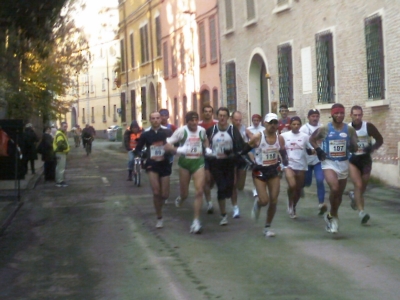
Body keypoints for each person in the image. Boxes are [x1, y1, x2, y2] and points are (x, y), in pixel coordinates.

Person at [309, 103, 358, 234]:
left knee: (339, 195)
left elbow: (355, 144)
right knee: (334, 188)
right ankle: (334, 217)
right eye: (336, 113)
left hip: (343, 163)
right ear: (332, 114)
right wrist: (318, 150)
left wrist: (353, 147)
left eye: (341, 113)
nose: (339, 115)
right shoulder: (325, 128)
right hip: (329, 163)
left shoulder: (349, 129)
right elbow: (312, 139)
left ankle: (331, 215)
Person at [165, 111, 210, 234]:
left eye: (196, 120)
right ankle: (181, 198)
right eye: (192, 120)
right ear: (187, 121)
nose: (194, 123)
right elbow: (167, 146)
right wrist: (178, 149)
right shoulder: (181, 131)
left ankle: (196, 221)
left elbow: (205, 140)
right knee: (185, 193)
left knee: (199, 191)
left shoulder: (201, 130)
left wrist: (207, 148)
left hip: (198, 162)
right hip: (185, 163)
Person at [247, 113, 288, 237]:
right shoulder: (258, 137)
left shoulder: (279, 138)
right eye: (271, 123)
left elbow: (282, 151)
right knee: (265, 200)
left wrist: (285, 162)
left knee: (274, 200)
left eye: (275, 123)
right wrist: (250, 160)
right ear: (265, 123)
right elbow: (246, 149)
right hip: (259, 170)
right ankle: (258, 204)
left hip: (273, 170)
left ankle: (267, 227)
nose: (273, 125)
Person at [134, 112, 173, 228]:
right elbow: (138, 149)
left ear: (161, 119)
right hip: (151, 164)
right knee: (156, 192)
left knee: (164, 194)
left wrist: (171, 150)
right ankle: (159, 217)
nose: (155, 120)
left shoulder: (167, 132)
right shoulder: (145, 134)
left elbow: (175, 144)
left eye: (157, 118)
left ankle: (161, 203)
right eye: (153, 118)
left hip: (165, 164)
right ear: (150, 120)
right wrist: (142, 155)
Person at [206, 107, 244, 226]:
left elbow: (240, 147)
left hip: (229, 163)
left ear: (228, 118)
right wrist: (208, 154)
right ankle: (223, 215)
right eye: (220, 115)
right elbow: (206, 144)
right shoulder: (211, 130)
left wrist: (232, 152)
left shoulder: (233, 130)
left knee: (230, 186)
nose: (222, 118)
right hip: (216, 162)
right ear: (217, 117)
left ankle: (234, 206)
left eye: (224, 116)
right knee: (221, 188)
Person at [348, 105, 383, 224]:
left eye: (359, 115)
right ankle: (362, 212)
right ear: (351, 115)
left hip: (365, 160)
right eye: (355, 115)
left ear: (362, 115)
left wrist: (372, 148)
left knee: (363, 185)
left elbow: (380, 139)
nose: (357, 117)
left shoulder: (368, 126)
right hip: (353, 160)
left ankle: (354, 196)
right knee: (358, 184)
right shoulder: (347, 128)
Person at [281, 116, 311, 219]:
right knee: (292, 185)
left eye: (298, 124)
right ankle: (289, 203)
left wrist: (315, 151)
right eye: (294, 124)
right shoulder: (284, 135)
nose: (296, 126)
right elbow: (279, 148)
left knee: (298, 189)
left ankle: (293, 206)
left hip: (301, 165)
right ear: (290, 125)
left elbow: (309, 148)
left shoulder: (305, 136)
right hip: (288, 165)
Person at [299, 109, 327, 215]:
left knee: (320, 180)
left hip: (318, 160)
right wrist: (308, 151)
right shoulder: (304, 129)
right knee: (307, 182)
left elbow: (326, 141)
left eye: (317, 116)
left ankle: (321, 204)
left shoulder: (323, 128)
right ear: (309, 117)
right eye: (313, 116)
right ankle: (301, 186)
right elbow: (300, 143)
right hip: (307, 160)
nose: (315, 118)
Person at [198, 105, 218, 214]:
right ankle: (209, 203)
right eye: (205, 111)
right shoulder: (199, 125)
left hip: (215, 155)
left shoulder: (217, 124)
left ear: (212, 113)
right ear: (202, 113)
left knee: (213, 180)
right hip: (203, 155)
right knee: (207, 179)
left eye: (210, 111)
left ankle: (209, 189)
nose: (207, 113)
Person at [230, 111, 249, 218]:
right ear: (231, 119)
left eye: (239, 120)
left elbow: (248, 143)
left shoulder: (244, 129)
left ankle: (234, 196)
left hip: (242, 159)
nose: (238, 122)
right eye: (236, 120)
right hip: (231, 159)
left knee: (240, 186)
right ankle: (235, 207)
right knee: (233, 183)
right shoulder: (228, 129)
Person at [246, 114, 266, 203]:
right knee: (255, 169)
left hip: (261, 150)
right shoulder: (249, 129)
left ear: (260, 121)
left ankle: (261, 187)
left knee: (263, 170)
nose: (256, 122)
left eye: (257, 120)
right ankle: (255, 188)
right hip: (252, 150)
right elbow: (247, 141)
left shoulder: (263, 129)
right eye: (254, 120)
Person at [53, 121, 70, 187]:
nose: (65, 128)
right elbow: (60, 144)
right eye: (64, 126)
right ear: (61, 126)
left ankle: (59, 180)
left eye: (66, 126)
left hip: (60, 152)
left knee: (59, 167)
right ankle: (60, 181)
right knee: (61, 168)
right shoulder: (60, 134)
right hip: (61, 152)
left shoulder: (61, 133)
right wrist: (66, 147)